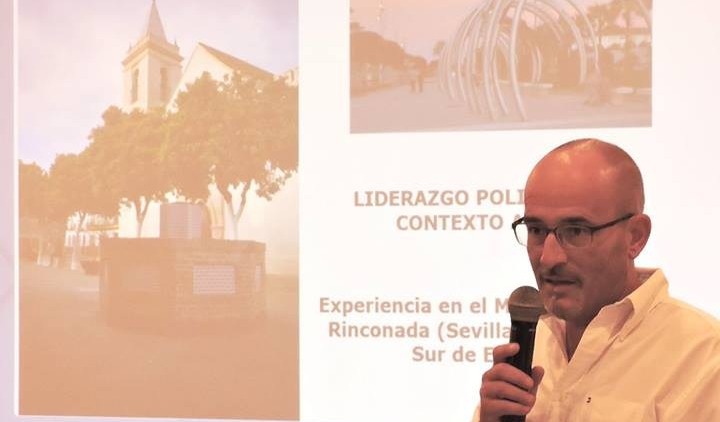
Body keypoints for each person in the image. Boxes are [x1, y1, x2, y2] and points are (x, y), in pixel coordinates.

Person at [474, 139, 720, 421]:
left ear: (635, 236)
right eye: (536, 230)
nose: (548, 258)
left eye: (576, 231)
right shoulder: (534, 340)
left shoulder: (704, 358)